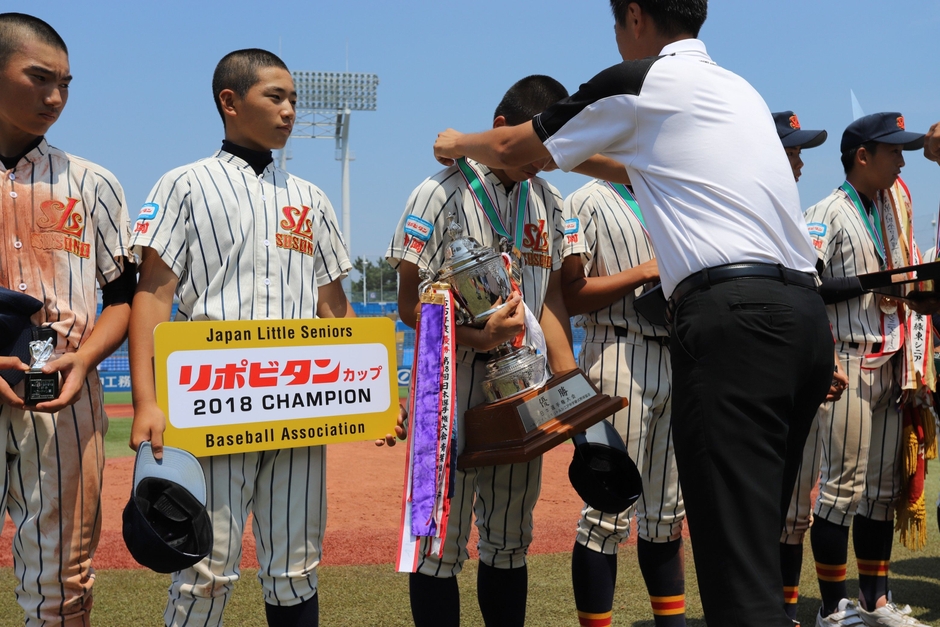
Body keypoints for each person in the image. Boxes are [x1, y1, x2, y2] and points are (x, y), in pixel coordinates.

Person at [431, 2, 835, 626]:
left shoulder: (642, 79)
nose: (617, 40)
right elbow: (624, 167)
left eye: (616, 26)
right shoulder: (739, 90)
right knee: (757, 533)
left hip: (733, 323)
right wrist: (555, 156)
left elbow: (513, 143)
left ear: (636, 17)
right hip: (803, 319)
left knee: (733, 562)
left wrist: (457, 142)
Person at [128, 49, 353, 627]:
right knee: (204, 569)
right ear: (229, 102)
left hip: (299, 403)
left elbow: (333, 307)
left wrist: (372, 388)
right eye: (275, 97)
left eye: (293, 99)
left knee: (296, 570)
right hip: (213, 400)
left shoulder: (311, 198)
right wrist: (147, 401)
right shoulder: (184, 184)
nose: (289, 110)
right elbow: (152, 295)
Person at [387, 75, 577, 627]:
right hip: (447, 385)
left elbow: (550, 301)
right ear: (502, 130)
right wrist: (479, 337)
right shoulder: (439, 192)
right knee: (437, 544)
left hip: (523, 388)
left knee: (510, 540)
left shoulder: (548, 200)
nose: (544, 162)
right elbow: (409, 306)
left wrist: (568, 386)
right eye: (538, 148)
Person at [0, 13, 134, 626]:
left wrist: (85, 358)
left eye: (66, 84)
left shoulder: (93, 183)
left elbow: (122, 297)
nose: (55, 97)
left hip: (64, 392)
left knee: (63, 583)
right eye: (39, 78)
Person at [802, 112, 930, 627]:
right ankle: (834, 607)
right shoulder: (827, 211)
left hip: (891, 362)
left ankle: (876, 602)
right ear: (862, 156)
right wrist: (869, 284)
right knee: (840, 491)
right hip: (848, 361)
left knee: (880, 495)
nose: (902, 161)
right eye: (894, 151)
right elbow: (805, 285)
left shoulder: (890, 215)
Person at [561, 180, 686, 627]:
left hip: (675, 355)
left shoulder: (669, 193)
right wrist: (641, 273)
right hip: (616, 351)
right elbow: (568, 295)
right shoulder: (586, 200)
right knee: (606, 515)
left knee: (667, 518)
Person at [771, 110, 849, 624]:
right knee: (765, 506)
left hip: (801, 375)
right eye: (792, 151)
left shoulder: (793, 218)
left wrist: (824, 358)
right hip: (765, 376)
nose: (800, 162)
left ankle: (786, 611)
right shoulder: (749, 213)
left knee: (795, 508)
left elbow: (807, 298)